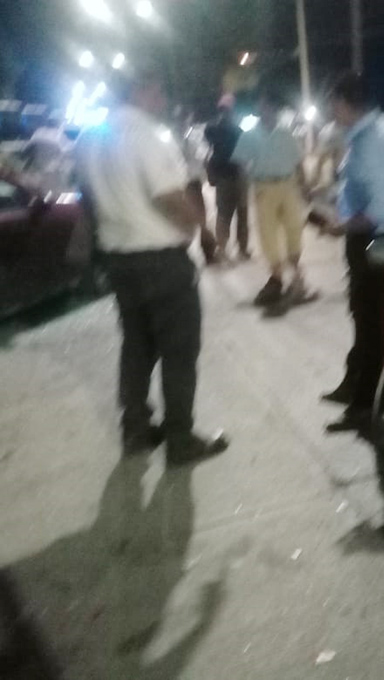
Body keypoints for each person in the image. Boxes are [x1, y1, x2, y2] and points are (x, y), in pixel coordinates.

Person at [76, 63, 228, 465]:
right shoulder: (145, 134)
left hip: (119, 261)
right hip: (160, 260)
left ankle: (136, 430)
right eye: (158, 92)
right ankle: (180, 439)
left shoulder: (90, 138)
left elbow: (87, 196)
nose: (162, 101)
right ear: (142, 90)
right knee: (179, 351)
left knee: (137, 347)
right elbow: (167, 195)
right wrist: (204, 230)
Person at [320, 72, 384, 431]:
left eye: (333, 104)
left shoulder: (371, 142)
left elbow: (379, 211)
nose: (331, 111)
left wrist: (340, 226)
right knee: (363, 316)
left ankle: (364, 405)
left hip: (373, 241)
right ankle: (353, 385)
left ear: (344, 103)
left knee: (369, 322)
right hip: (379, 238)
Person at [231, 88, 316, 311]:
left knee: (294, 229)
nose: (266, 110)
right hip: (264, 188)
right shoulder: (249, 135)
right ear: (259, 108)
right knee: (267, 233)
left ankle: (296, 276)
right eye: (263, 105)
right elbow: (240, 165)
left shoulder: (286, 134)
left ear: (276, 109)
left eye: (270, 106)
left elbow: (298, 163)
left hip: (288, 186)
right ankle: (277, 276)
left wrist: (305, 187)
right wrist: (245, 189)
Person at [204, 95, 250, 261]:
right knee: (229, 214)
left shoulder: (214, 130)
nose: (226, 114)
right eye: (225, 111)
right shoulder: (230, 130)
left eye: (227, 111)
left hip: (233, 176)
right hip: (231, 176)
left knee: (231, 214)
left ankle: (233, 249)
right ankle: (231, 249)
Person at [180, 111, 218, 263]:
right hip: (185, 184)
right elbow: (204, 155)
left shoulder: (192, 138)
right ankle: (203, 253)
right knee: (196, 219)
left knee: (197, 219)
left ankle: (207, 253)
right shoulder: (180, 139)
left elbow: (204, 156)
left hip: (190, 183)